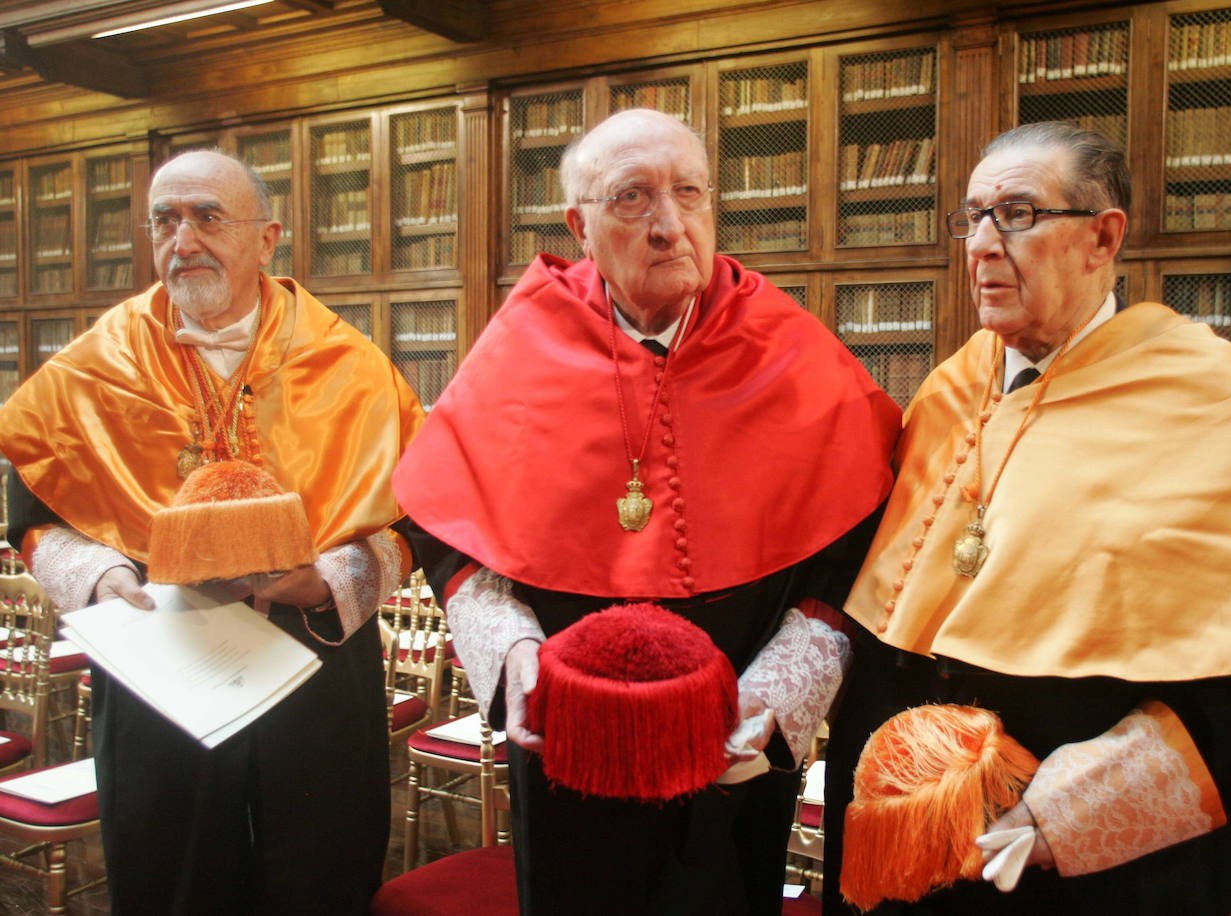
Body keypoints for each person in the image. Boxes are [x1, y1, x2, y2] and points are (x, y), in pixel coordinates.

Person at [823, 122, 1231, 915]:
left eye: (1018, 214)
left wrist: (1064, 816)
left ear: (1104, 237)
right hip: (912, 818)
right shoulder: (949, 386)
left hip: (1067, 843)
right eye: (971, 217)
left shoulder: (1204, 395)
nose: (981, 244)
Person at [392, 108, 902, 916]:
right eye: (633, 198)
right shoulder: (524, 342)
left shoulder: (789, 347)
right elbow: (447, 530)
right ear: (580, 225)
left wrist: (774, 696)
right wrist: (516, 653)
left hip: (739, 740)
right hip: (569, 747)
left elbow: (858, 543)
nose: (669, 225)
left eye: (689, 193)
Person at [0, 150, 425, 915]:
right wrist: (102, 579)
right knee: (174, 879)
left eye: (206, 217)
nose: (183, 240)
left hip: (313, 657)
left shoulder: (350, 365)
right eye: (165, 220)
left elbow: (412, 518)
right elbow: (35, 512)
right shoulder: (99, 362)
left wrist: (329, 580)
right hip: (159, 664)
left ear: (267, 239)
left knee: (320, 874)